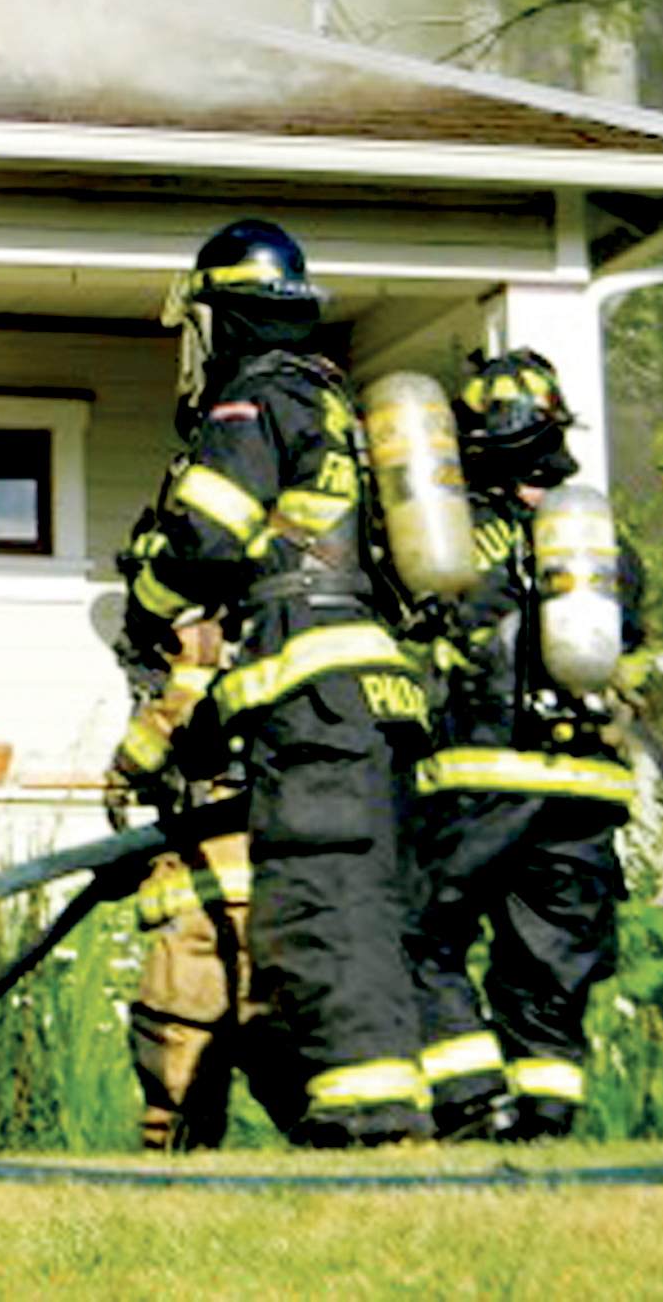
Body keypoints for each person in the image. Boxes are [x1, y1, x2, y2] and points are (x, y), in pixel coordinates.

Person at [116, 218, 434, 1147]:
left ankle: (369, 1120)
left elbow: (208, 541)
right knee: (361, 906)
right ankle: (382, 1109)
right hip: (375, 697)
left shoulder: (254, 404)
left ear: (225, 319)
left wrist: (146, 597)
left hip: (315, 697)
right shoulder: (334, 407)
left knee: (316, 905)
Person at [408, 348, 644, 1141]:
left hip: (484, 776)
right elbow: (631, 637)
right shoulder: (601, 542)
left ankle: (471, 1099)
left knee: (420, 935)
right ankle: (542, 1121)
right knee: (551, 965)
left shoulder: (457, 531)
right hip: (587, 786)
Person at [106, 556, 257, 1151]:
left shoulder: (191, 695)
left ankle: (175, 1162)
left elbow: (133, 766)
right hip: (278, 904)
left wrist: (183, 681)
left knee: (176, 1045)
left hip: (206, 905)